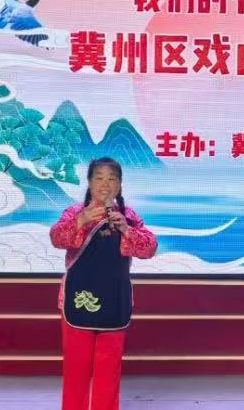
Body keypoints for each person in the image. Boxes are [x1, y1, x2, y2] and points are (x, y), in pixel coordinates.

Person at [50, 157, 158, 410]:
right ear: (89, 183)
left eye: (111, 179)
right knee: (76, 371)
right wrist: (82, 219)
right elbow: (57, 238)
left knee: (109, 373)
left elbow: (150, 248)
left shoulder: (129, 217)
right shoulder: (74, 212)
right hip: (79, 299)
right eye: (99, 178)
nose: (105, 185)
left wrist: (127, 230)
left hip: (115, 301)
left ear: (119, 185)